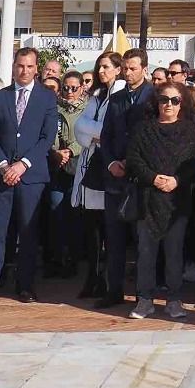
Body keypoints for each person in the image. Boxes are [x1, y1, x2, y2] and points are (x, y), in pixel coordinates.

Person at [0, 47, 59, 305]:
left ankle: (25, 284)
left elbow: (47, 137)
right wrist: (3, 165)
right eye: (21, 66)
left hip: (31, 175)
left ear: (36, 68)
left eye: (30, 66)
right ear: (14, 67)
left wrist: (22, 164)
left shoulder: (47, 98)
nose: (25, 71)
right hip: (0, 175)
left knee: (28, 230)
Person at [124, 82, 195, 319]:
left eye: (175, 100)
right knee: (146, 252)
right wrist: (153, 178)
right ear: (156, 102)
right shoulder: (143, 129)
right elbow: (134, 159)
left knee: (174, 252)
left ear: (182, 104)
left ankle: (174, 299)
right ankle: (144, 300)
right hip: (148, 200)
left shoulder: (189, 130)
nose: (169, 105)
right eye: (164, 100)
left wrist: (177, 180)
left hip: (177, 202)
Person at [89, 49, 154, 307]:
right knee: (113, 238)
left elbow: (153, 137)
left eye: (133, 68)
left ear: (144, 69)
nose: (128, 73)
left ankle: (143, 293)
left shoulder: (154, 97)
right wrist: (113, 162)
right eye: (125, 68)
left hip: (141, 178)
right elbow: (106, 137)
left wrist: (133, 163)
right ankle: (112, 289)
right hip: (116, 179)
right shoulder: (115, 99)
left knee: (141, 241)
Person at [73, 52, 122, 299]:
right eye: (99, 67)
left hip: (112, 165)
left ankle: (108, 279)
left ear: (118, 69)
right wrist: (99, 133)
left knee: (110, 228)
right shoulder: (97, 96)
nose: (101, 71)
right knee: (92, 227)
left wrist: (99, 133)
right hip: (93, 164)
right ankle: (92, 276)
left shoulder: (121, 95)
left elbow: (114, 130)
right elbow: (79, 128)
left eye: (106, 67)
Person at [46, 72, 87, 278]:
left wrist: (70, 150)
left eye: (74, 88)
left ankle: (73, 259)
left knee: (74, 214)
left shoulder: (88, 109)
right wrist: (55, 152)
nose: (69, 92)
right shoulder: (54, 108)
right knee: (55, 212)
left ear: (82, 88)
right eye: (66, 88)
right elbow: (49, 132)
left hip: (77, 165)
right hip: (57, 165)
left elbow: (88, 135)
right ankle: (56, 258)